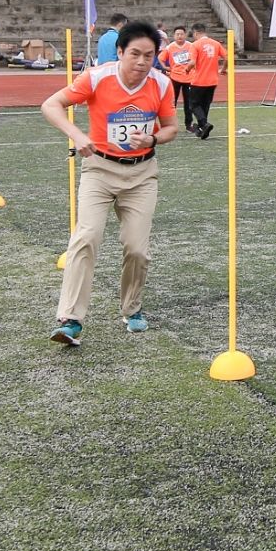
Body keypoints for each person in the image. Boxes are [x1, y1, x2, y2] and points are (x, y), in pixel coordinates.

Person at [41, 20, 178, 348]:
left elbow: (172, 127)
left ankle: (132, 309)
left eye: (149, 55)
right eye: (135, 54)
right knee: (86, 237)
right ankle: (70, 320)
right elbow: (51, 105)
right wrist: (77, 136)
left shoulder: (161, 84)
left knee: (136, 248)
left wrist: (153, 138)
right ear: (120, 52)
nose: (142, 62)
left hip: (142, 175)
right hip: (99, 170)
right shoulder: (97, 77)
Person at [188, 21, 224, 139]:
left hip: (199, 80)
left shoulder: (195, 45)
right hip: (213, 81)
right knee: (205, 105)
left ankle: (204, 124)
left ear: (196, 33)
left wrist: (187, 69)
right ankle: (203, 128)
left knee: (193, 104)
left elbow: (192, 62)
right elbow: (228, 57)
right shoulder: (216, 44)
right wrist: (223, 69)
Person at [158, 27, 198, 131]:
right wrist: (165, 67)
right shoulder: (170, 47)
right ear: (174, 36)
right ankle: (170, 124)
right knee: (172, 103)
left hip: (189, 78)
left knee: (188, 103)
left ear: (185, 35)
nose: (179, 36)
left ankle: (188, 124)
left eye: (181, 34)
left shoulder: (191, 46)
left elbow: (196, 59)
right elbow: (160, 58)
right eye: (177, 34)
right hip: (175, 78)